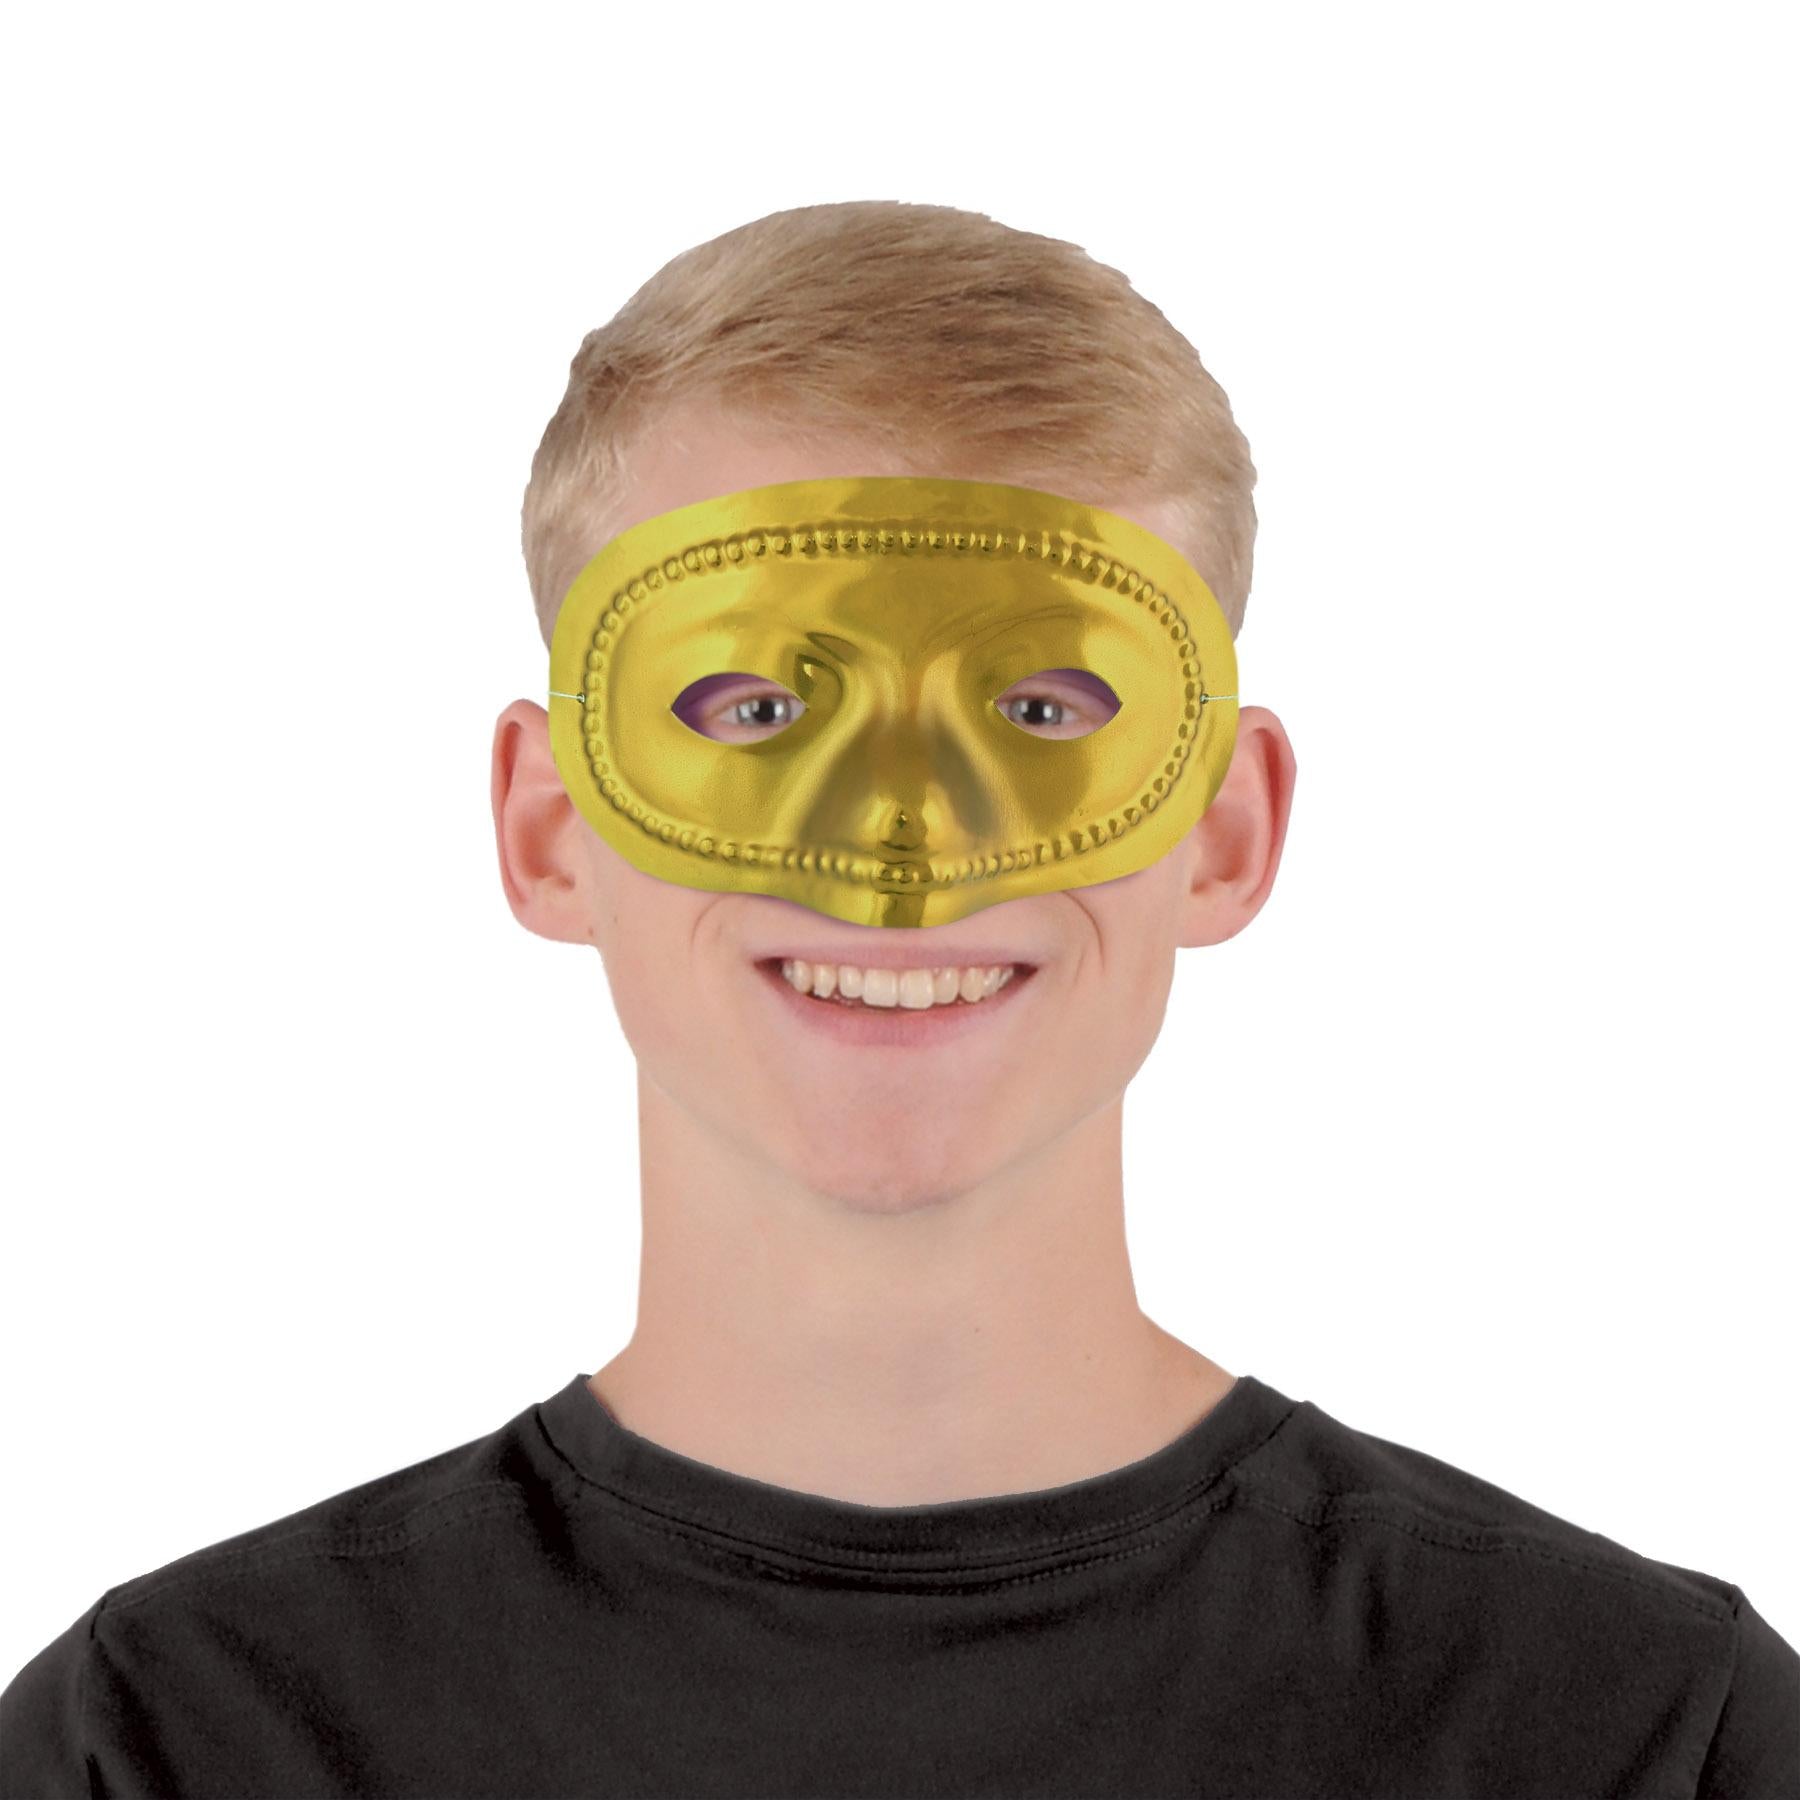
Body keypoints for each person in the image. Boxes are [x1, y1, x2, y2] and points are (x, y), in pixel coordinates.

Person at [3, 199, 1794, 1799]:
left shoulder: (1633, 1733)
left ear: (1225, 830)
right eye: (754, 711)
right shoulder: (176, 1741)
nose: (902, 857)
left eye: (1042, 711)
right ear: (549, 830)